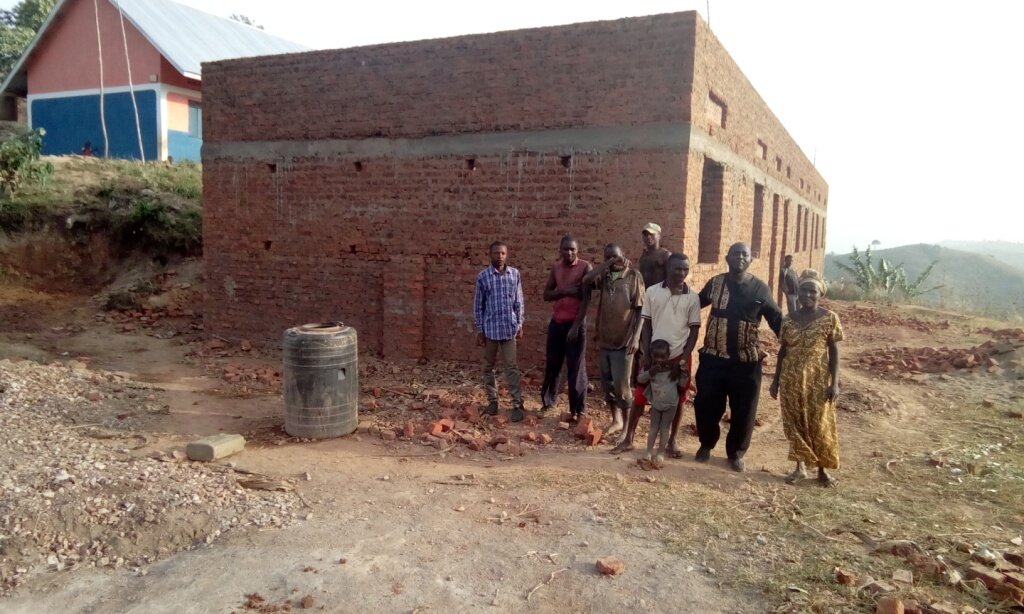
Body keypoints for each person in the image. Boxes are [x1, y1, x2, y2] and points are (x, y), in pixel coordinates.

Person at [693, 242, 783, 472]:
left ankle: (736, 453)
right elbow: (693, 304)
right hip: (714, 358)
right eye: (735, 254)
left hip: (746, 362)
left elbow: (777, 321)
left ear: (750, 259)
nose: (740, 257)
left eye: (744, 254)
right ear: (727, 257)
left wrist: (794, 340)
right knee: (706, 404)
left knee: (744, 409)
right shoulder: (715, 283)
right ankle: (706, 444)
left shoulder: (760, 289)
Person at [611, 253, 701, 456]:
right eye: (677, 268)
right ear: (668, 268)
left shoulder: (692, 297)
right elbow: (647, 324)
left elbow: (694, 330)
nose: (682, 273)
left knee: (679, 398)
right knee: (640, 397)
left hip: (679, 355)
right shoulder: (652, 292)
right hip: (654, 355)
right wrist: (647, 352)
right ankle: (628, 439)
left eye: (685, 269)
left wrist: (685, 358)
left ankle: (672, 441)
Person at [770, 269, 843, 487]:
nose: (808, 295)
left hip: (817, 380)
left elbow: (834, 352)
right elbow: (783, 351)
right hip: (791, 379)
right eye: (804, 291)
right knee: (794, 423)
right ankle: (800, 467)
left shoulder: (830, 319)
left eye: (813, 291)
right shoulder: (789, 319)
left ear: (820, 294)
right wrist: (775, 380)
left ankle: (822, 470)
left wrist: (834, 382)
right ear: (798, 293)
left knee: (819, 424)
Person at [578, 243, 645, 436]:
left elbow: (641, 310)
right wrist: (605, 265)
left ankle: (627, 428)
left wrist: (636, 338)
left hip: (624, 342)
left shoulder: (633, 276)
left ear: (623, 255)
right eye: (608, 257)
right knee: (607, 385)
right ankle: (616, 420)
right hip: (606, 340)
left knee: (622, 387)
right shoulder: (605, 277)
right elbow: (586, 280)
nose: (612, 261)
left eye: (615, 256)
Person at [540, 235, 592, 421]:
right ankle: (548, 401)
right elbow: (547, 294)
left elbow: (587, 300)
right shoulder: (556, 268)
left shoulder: (585, 267)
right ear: (560, 250)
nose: (569, 252)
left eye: (573, 250)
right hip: (557, 322)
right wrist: (564, 292)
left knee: (576, 369)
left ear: (577, 251)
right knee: (552, 364)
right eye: (566, 249)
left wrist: (576, 327)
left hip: (575, 324)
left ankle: (578, 410)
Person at [474, 241, 526, 421]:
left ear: (507, 254)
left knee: (511, 367)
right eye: (496, 253)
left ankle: (517, 404)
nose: (500, 256)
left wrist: (520, 324)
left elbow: (519, 302)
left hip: (509, 329)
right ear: (490, 255)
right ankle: (493, 401)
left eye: (503, 253)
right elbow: (478, 306)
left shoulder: (514, 275)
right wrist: (479, 329)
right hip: (490, 331)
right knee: (488, 367)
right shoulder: (483, 277)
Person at [636, 339, 685, 467]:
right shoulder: (650, 368)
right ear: (651, 355)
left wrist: (684, 373)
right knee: (653, 428)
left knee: (664, 429)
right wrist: (650, 372)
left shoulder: (674, 368)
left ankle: (660, 453)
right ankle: (648, 451)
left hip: (671, 405)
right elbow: (640, 379)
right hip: (656, 404)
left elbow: (682, 384)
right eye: (656, 356)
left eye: (662, 357)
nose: (659, 360)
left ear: (668, 356)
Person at [637, 222, 672, 289]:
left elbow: (671, 280)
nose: (648, 237)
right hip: (644, 295)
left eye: (651, 234)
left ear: (659, 236)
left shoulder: (665, 255)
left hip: (659, 295)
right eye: (646, 234)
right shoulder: (644, 255)